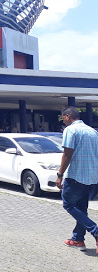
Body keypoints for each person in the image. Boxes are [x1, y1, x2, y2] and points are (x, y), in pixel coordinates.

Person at [56, 106, 98, 253]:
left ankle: (95, 231)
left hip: (76, 176)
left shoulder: (71, 130)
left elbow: (67, 153)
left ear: (67, 116)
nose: (63, 121)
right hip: (92, 177)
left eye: (63, 118)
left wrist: (60, 175)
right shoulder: (92, 131)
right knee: (81, 208)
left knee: (68, 204)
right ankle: (78, 239)